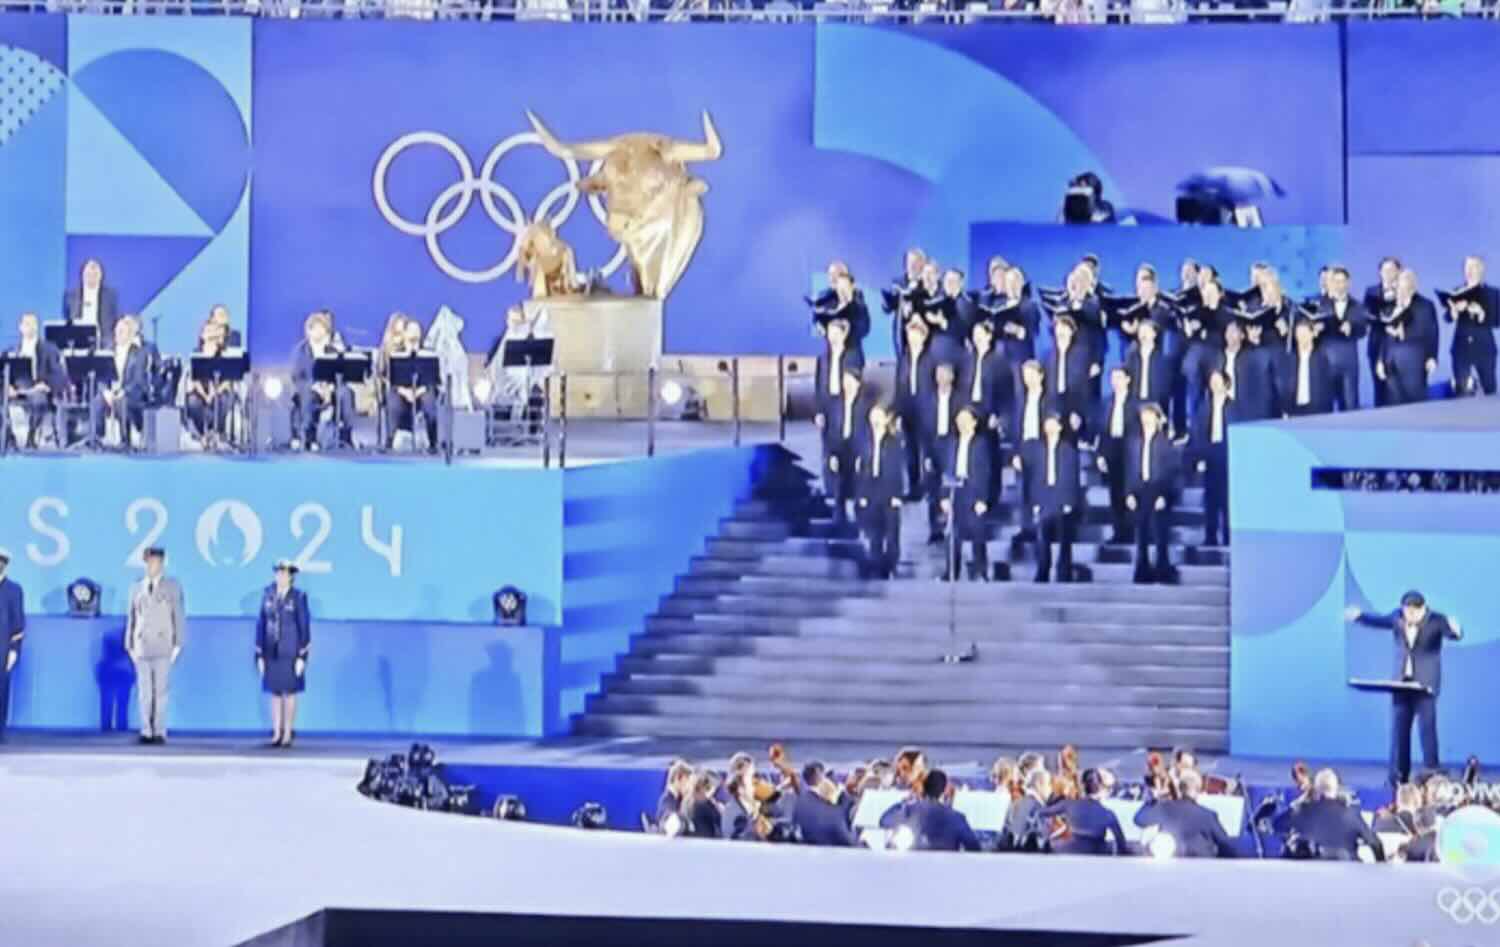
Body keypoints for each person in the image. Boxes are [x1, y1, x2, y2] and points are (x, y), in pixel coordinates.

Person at [1345, 592, 1463, 787]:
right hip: (1401, 684)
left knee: (1427, 731)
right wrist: (1359, 617)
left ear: (1422, 608)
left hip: (1425, 687)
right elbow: (1380, 621)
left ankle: (1432, 775)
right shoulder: (1397, 616)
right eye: (1406, 611)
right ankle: (1398, 777)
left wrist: (1456, 629)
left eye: (1413, 612)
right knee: (1399, 733)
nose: (1408, 615)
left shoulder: (1436, 620)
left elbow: (1453, 634)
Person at [125, 547, 185, 745]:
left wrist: (178, 643)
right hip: (141, 645)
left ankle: (159, 730)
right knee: (144, 692)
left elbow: (178, 615)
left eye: (157, 562)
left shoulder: (172, 587)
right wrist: (129, 644)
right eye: (150, 562)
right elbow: (132, 617)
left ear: (162, 564)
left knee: (160, 690)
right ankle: (146, 729)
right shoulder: (136, 587)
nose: (153, 566)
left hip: (163, 645)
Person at [1019, 413, 1080, 583]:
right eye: (1047, 424)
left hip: (1062, 497)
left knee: (1064, 539)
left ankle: (1064, 572)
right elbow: (1033, 477)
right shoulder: (1036, 450)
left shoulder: (1069, 450)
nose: (1050, 427)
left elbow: (1072, 478)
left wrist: (1070, 501)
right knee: (1042, 538)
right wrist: (1035, 501)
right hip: (1043, 497)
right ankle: (1042, 571)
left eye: (1053, 424)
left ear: (1060, 427)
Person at [256, 560, 311, 749]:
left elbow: (304, 626)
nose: (280, 577)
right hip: (271, 650)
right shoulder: (268, 594)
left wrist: (303, 656)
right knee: (275, 693)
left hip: (291, 650)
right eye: (278, 573)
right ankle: (276, 732)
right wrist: (259, 653)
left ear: (291, 577)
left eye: (284, 574)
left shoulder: (298, 597)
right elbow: (262, 623)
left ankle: (288, 732)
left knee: (290, 692)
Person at [1275, 769, 1384, 862]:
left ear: (1316, 790)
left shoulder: (1301, 810)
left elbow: (1277, 825)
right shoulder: (1351, 813)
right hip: (1348, 876)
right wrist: (1381, 869)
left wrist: (1300, 801)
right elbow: (1375, 844)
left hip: (1311, 876)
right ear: (1336, 789)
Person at [1125, 403, 1178, 584]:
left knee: (1159, 533)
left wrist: (1164, 495)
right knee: (1141, 533)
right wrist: (1129, 493)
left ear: (1157, 419)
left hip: (1158, 490)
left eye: (1150, 416)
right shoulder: (1134, 442)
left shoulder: (1165, 443)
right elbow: (1130, 469)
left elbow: (1171, 472)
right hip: (1140, 489)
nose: (1146, 419)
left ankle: (1163, 570)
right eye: (1143, 416)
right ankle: (1142, 571)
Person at [290, 311, 356, 451]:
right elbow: (297, 376)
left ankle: (346, 436)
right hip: (310, 388)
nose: (320, 332)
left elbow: (341, 374)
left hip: (331, 387)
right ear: (309, 331)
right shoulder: (300, 351)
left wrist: (331, 388)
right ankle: (309, 437)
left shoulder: (333, 350)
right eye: (316, 328)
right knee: (309, 397)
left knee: (346, 393)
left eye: (323, 329)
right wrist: (315, 387)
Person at [1134, 769, 1237, 858]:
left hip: (1170, 869)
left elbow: (1139, 819)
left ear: (1180, 788)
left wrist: (1153, 799)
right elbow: (1226, 844)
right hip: (1203, 872)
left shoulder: (1164, 808)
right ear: (1199, 789)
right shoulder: (1208, 816)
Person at [1190, 370, 1240, 548]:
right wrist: (1199, 458)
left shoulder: (1235, 406)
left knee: (1227, 499)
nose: (1214, 385)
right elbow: (1198, 433)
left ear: (1226, 384)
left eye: (1218, 381)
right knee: (1210, 499)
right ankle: (1210, 536)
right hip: (1209, 454)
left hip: (1227, 455)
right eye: (1212, 382)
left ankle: (1228, 536)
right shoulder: (1204, 406)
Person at [854, 403, 904, 580]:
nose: (875, 420)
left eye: (878, 417)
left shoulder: (894, 441)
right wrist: (861, 495)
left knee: (891, 532)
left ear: (885, 419)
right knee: (874, 532)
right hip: (870, 490)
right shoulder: (863, 441)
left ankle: (891, 565)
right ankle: (876, 565)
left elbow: (897, 470)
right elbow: (859, 471)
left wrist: (897, 495)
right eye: (872, 416)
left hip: (889, 490)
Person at [816, 366, 871, 526]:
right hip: (839, 448)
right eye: (845, 381)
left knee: (859, 477)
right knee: (838, 476)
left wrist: (864, 455)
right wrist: (831, 454)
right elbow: (829, 432)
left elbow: (867, 434)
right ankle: (838, 515)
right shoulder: (834, 404)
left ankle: (860, 514)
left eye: (850, 381)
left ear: (858, 384)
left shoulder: (865, 405)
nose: (847, 385)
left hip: (858, 448)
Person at [942, 406, 992, 581]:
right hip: (956, 490)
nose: (961, 423)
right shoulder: (952, 443)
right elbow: (946, 469)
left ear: (974, 422)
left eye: (965, 420)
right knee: (953, 535)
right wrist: (944, 497)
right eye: (959, 420)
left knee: (978, 533)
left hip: (974, 492)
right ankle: (951, 571)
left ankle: (980, 570)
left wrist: (983, 499)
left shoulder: (981, 444)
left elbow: (985, 473)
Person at [879, 769, 980, 852]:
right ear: (944, 791)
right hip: (946, 870)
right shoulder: (956, 818)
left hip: (913, 867)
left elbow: (884, 821)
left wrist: (902, 803)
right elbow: (973, 846)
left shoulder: (908, 810)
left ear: (924, 787)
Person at [7, 312, 68, 449]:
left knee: (38, 399)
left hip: (39, 389)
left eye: (33, 324)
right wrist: (8, 386)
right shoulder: (12, 351)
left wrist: (46, 384)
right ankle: (8, 436)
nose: (30, 327)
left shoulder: (49, 349)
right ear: (20, 327)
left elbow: (59, 374)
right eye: (26, 324)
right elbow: (4, 373)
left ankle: (31, 436)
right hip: (18, 388)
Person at [1378, 269, 1439, 405]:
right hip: (1391, 361)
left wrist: (1432, 357)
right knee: (1393, 402)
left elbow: (1432, 333)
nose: (1399, 289)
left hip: (1414, 359)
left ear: (1412, 286)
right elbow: (1384, 337)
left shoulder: (1425, 305)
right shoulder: (1389, 307)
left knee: (1415, 401)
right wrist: (1380, 360)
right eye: (1398, 285)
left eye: (1403, 285)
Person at [1093, 367, 1138, 545]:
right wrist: (1100, 455)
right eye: (1113, 378)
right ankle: (1118, 531)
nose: (1116, 382)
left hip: (1129, 451)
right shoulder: (1106, 403)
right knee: (1115, 493)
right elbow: (1101, 432)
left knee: (1129, 492)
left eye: (1119, 377)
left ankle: (1132, 531)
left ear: (1127, 379)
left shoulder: (1135, 404)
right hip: (1112, 450)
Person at [1443, 255, 1499, 396]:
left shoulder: (1494, 294)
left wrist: (1482, 314)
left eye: (1473, 266)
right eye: (1466, 267)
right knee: (1462, 393)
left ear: (1481, 269)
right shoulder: (1457, 292)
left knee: (1489, 391)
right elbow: (1447, 317)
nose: (1469, 270)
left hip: (1485, 350)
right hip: (1461, 350)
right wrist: (1454, 312)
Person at [91, 316, 149, 449]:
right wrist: (105, 391)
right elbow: (100, 376)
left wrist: (123, 392)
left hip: (131, 394)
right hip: (110, 392)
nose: (117, 334)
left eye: (121, 331)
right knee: (97, 401)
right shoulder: (108, 350)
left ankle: (125, 440)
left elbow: (138, 380)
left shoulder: (139, 353)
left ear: (129, 335)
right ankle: (97, 438)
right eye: (116, 331)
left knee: (121, 402)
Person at [1039, 769, 1128, 855]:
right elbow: (1121, 844)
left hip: (1069, 851)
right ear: (1102, 788)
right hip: (1096, 855)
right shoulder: (1108, 814)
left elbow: (1041, 812)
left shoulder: (1068, 804)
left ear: (1082, 785)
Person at [919, 363, 961, 545]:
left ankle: (952, 527)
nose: (941, 379)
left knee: (951, 486)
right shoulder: (928, 400)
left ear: (952, 377)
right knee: (933, 489)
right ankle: (934, 529)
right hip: (933, 445)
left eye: (945, 375)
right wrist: (927, 454)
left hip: (952, 445)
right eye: (938, 375)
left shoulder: (960, 399)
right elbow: (924, 430)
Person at [1315, 267, 1368, 412]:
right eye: (1336, 281)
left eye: (1342, 281)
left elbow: (1363, 330)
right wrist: (1315, 330)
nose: (1339, 285)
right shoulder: (1319, 304)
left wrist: (1352, 328)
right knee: (1324, 406)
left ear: (1348, 283)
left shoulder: (1358, 305)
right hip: (1325, 361)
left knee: (1350, 405)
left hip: (1348, 362)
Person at [894, 316, 936, 496]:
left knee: (927, 449)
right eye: (910, 333)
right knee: (909, 450)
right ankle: (913, 486)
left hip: (926, 410)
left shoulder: (931, 358)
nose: (912, 337)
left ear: (924, 336)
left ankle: (929, 486)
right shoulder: (903, 358)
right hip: (907, 409)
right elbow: (899, 385)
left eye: (916, 334)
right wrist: (897, 412)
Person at [385, 316, 440, 453]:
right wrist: (405, 391)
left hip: (423, 391)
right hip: (403, 392)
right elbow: (392, 379)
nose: (414, 334)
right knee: (393, 400)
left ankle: (433, 442)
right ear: (405, 334)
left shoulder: (429, 353)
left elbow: (434, 379)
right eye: (411, 331)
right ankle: (389, 440)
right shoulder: (396, 354)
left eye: (417, 331)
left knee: (429, 400)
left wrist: (419, 391)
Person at [184, 319, 237, 449]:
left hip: (220, 389)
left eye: (213, 331)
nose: (210, 334)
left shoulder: (224, 352)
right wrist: (205, 394)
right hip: (201, 390)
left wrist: (216, 392)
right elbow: (194, 378)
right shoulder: (197, 353)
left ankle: (216, 432)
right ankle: (202, 434)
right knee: (193, 402)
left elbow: (228, 379)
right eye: (207, 331)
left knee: (223, 400)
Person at [1045, 315, 1095, 436]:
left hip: (1072, 403)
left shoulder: (1081, 354)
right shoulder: (1049, 354)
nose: (1060, 331)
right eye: (1058, 327)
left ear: (1071, 332)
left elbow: (1083, 386)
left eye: (1064, 328)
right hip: (1054, 403)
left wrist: (1077, 411)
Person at [1363, 257, 1402, 407]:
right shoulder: (1371, 292)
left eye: (1392, 270)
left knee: (1398, 388)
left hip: (1399, 344)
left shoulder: (1405, 291)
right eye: (1385, 270)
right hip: (1377, 344)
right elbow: (1366, 316)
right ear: (1379, 272)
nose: (1388, 273)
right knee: (1379, 387)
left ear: (1398, 272)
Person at [1276, 319, 1335, 417]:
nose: (1302, 337)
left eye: (1305, 334)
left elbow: (1328, 387)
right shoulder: (1289, 359)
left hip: (1317, 411)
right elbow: (1284, 386)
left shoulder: (1322, 358)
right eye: (1299, 334)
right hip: (1294, 411)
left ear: (1312, 334)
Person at [792, 762, 856, 847]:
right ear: (817, 775)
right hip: (834, 841)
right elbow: (840, 833)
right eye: (823, 774)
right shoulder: (826, 796)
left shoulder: (800, 800)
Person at [62, 258, 119, 350]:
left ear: (101, 276)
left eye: (95, 273)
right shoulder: (70, 295)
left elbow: (114, 319)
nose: (92, 276)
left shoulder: (110, 295)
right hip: (77, 342)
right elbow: (67, 319)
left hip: (104, 343)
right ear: (82, 275)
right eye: (89, 273)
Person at [881, 248, 927, 357]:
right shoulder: (897, 283)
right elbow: (887, 309)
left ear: (922, 264)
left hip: (922, 330)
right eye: (909, 262)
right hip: (901, 331)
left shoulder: (927, 282)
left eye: (915, 262)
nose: (911, 266)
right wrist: (888, 301)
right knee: (903, 363)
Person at [1124, 317, 1176, 410]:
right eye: (1141, 331)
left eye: (1146, 331)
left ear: (1154, 334)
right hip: (1134, 401)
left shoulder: (1163, 358)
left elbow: (1166, 385)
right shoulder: (1131, 356)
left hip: (1155, 403)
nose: (1143, 335)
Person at [0, 551, 23, 741]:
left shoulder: (14, 590)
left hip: (3, 648)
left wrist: (14, 650)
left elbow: (18, 623)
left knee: (2, 689)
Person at [1003, 768, 1052, 852]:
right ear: (1039, 784)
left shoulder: (1018, 802)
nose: (1050, 789)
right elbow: (1042, 839)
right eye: (1049, 784)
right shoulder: (1037, 807)